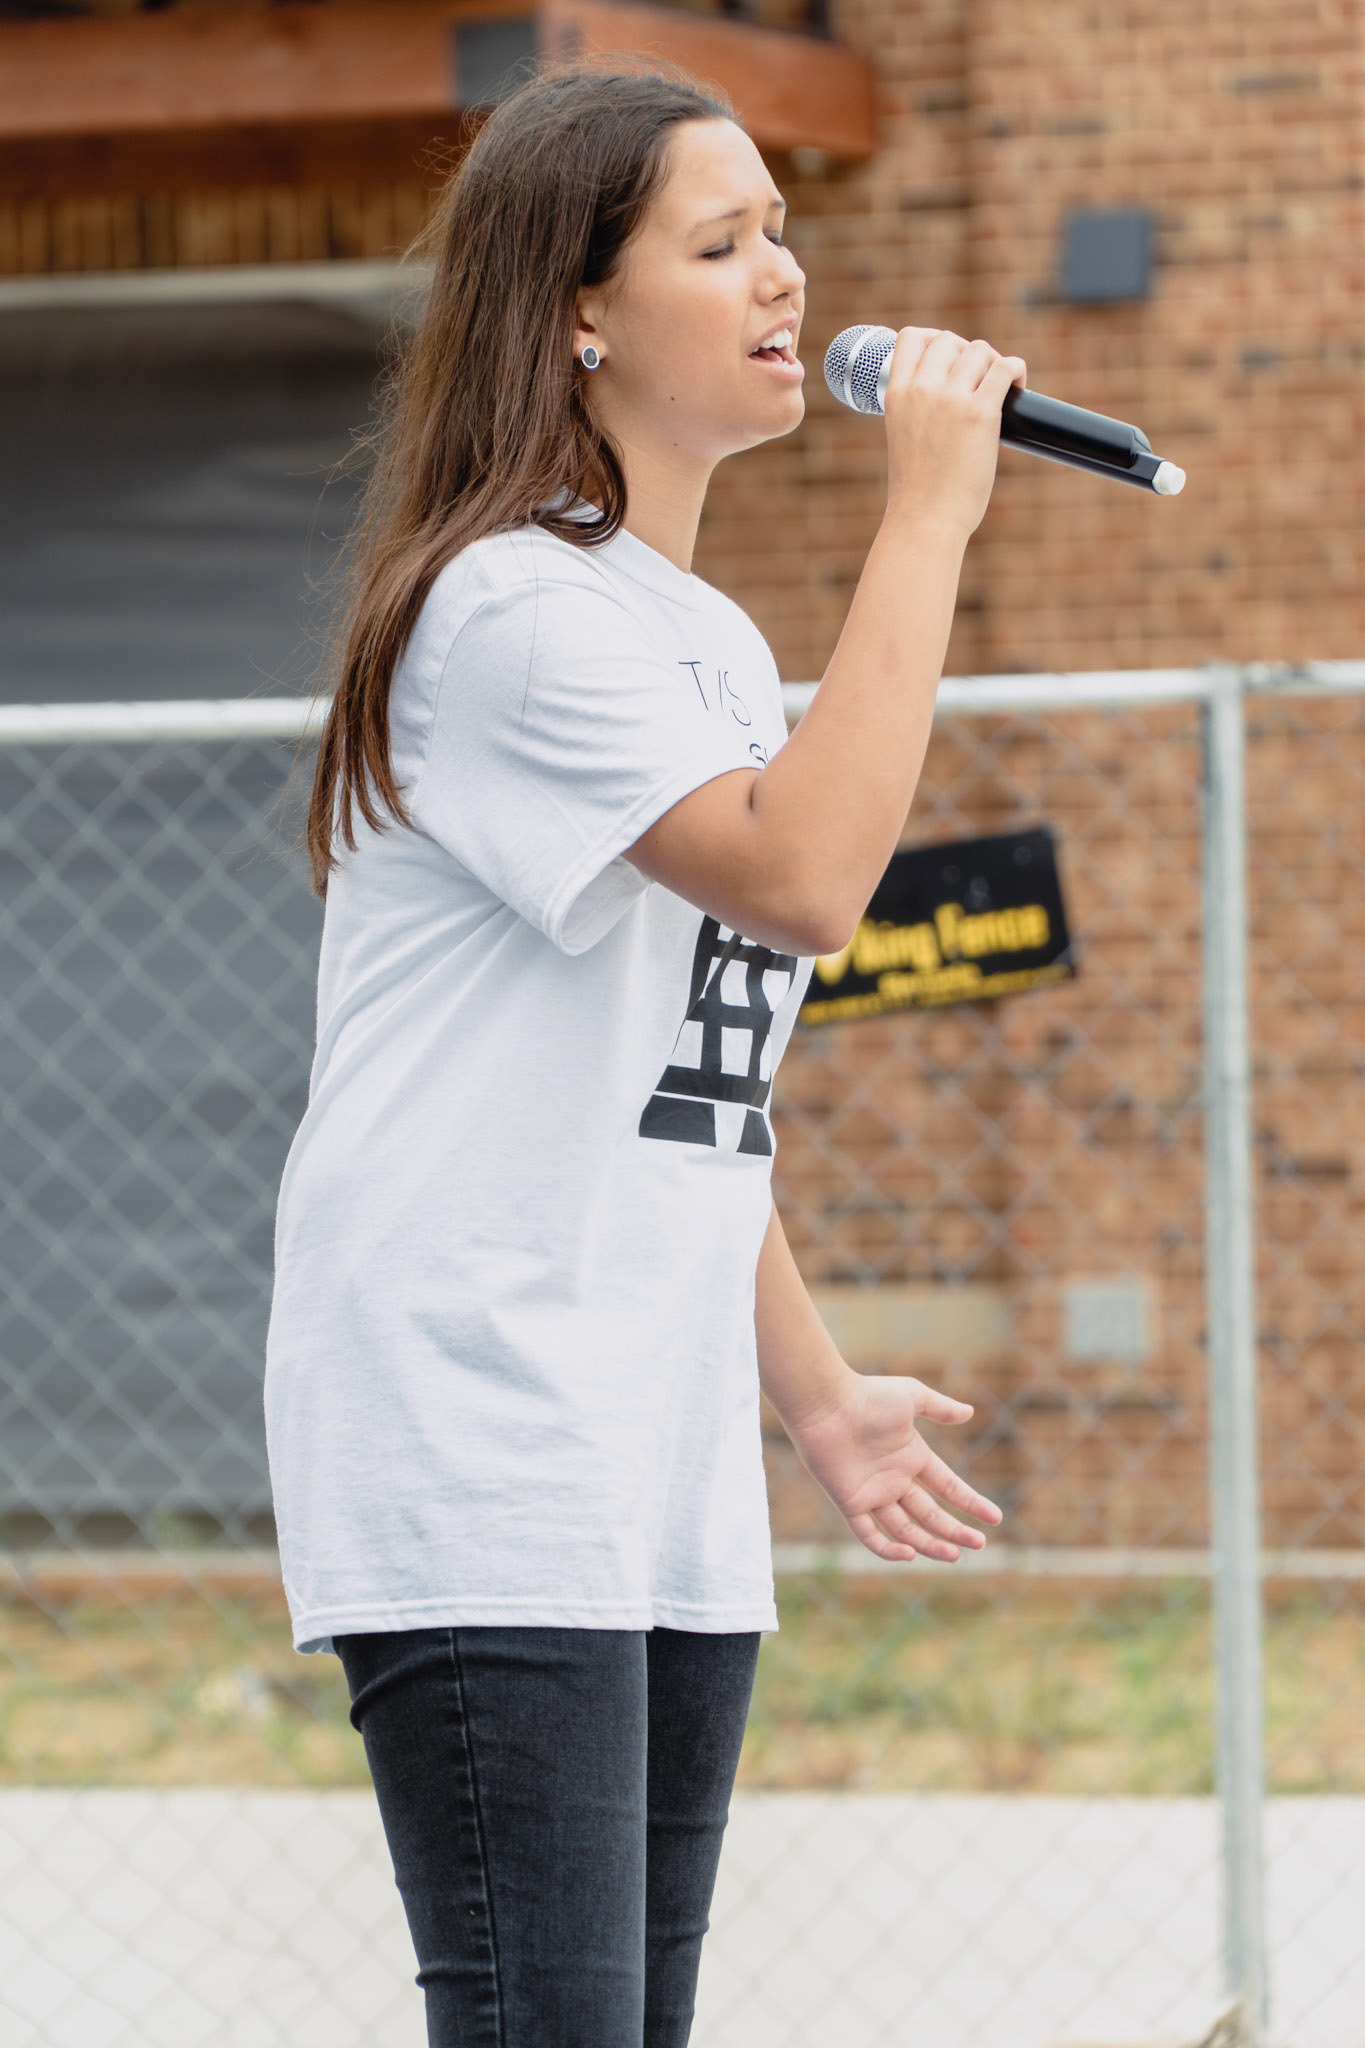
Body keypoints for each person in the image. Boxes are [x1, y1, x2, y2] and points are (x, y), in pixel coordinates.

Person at [264, 58, 1025, 2048]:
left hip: (648, 1439)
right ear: (579, 309)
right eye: (721, 242)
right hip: (481, 1411)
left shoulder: (695, 638)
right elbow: (808, 882)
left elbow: (685, 1098)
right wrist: (927, 513)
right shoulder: (509, 611)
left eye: (782, 230)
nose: (785, 275)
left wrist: (815, 1393)